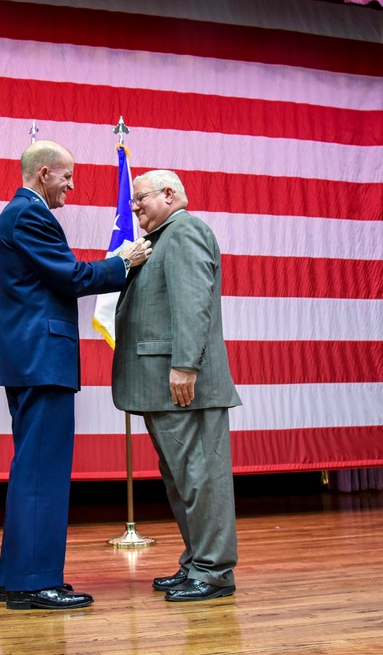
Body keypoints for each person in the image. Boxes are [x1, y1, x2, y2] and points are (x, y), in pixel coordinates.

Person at [0, 140, 151, 610]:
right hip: (42, 358)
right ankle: (33, 583)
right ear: (44, 174)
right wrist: (125, 262)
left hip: (31, 358)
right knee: (42, 471)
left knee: (32, 468)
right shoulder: (30, 216)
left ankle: (18, 576)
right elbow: (72, 277)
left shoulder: (18, 215)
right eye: (67, 177)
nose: (72, 186)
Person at [111, 170, 242, 602]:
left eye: (140, 198)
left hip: (184, 384)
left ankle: (214, 571)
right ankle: (197, 563)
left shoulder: (185, 231)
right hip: (164, 385)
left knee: (201, 478)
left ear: (170, 195)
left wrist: (185, 365)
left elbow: (193, 305)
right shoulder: (163, 237)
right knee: (183, 480)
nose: (134, 207)